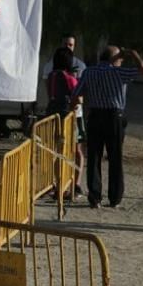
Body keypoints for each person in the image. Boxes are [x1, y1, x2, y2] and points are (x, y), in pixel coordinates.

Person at [70, 45, 143, 209]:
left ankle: (94, 196)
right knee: (115, 157)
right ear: (114, 59)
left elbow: (76, 93)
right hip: (114, 117)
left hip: (95, 116)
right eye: (120, 58)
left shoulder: (88, 72)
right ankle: (115, 197)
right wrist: (134, 53)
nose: (121, 61)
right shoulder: (119, 72)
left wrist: (73, 112)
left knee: (94, 157)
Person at [44, 46, 84, 196]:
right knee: (71, 151)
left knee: (57, 152)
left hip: (52, 115)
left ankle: (58, 183)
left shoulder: (51, 76)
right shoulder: (69, 78)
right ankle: (70, 186)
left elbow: (50, 94)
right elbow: (78, 98)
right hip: (67, 118)